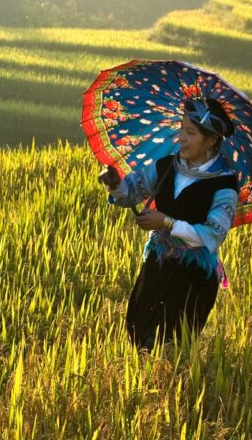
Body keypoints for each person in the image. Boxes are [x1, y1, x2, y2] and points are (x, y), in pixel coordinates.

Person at [99, 98, 239, 350]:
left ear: (211, 141)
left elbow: (211, 234)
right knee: (138, 331)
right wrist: (116, 185)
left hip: (193, 276)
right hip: (158, 263)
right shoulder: (167, 166)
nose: (181, 138)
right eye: (181, 129)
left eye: (190, 132)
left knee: (173, 345)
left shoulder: (225, 185)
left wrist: (164, 221)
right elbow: (134, 189)